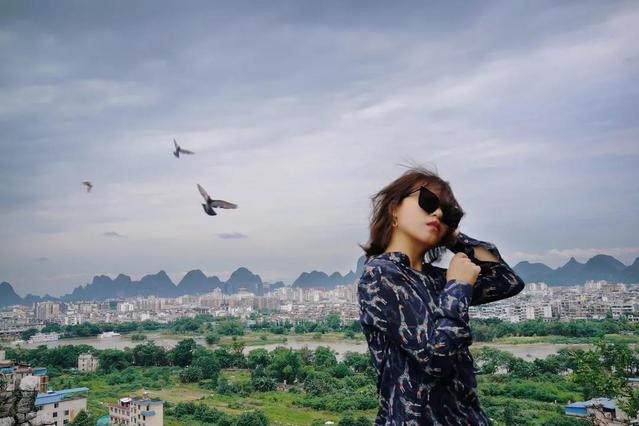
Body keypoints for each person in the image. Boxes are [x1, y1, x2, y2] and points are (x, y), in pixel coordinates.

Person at [357, 165, 525, 425]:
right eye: (428, 201)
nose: (437, 213)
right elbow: (436, 358)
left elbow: (507, 281)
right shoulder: (381, 273)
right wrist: (457, 286)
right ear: (394, 209)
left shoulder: (436, 278)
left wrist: (453, 236)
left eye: (448, 213)